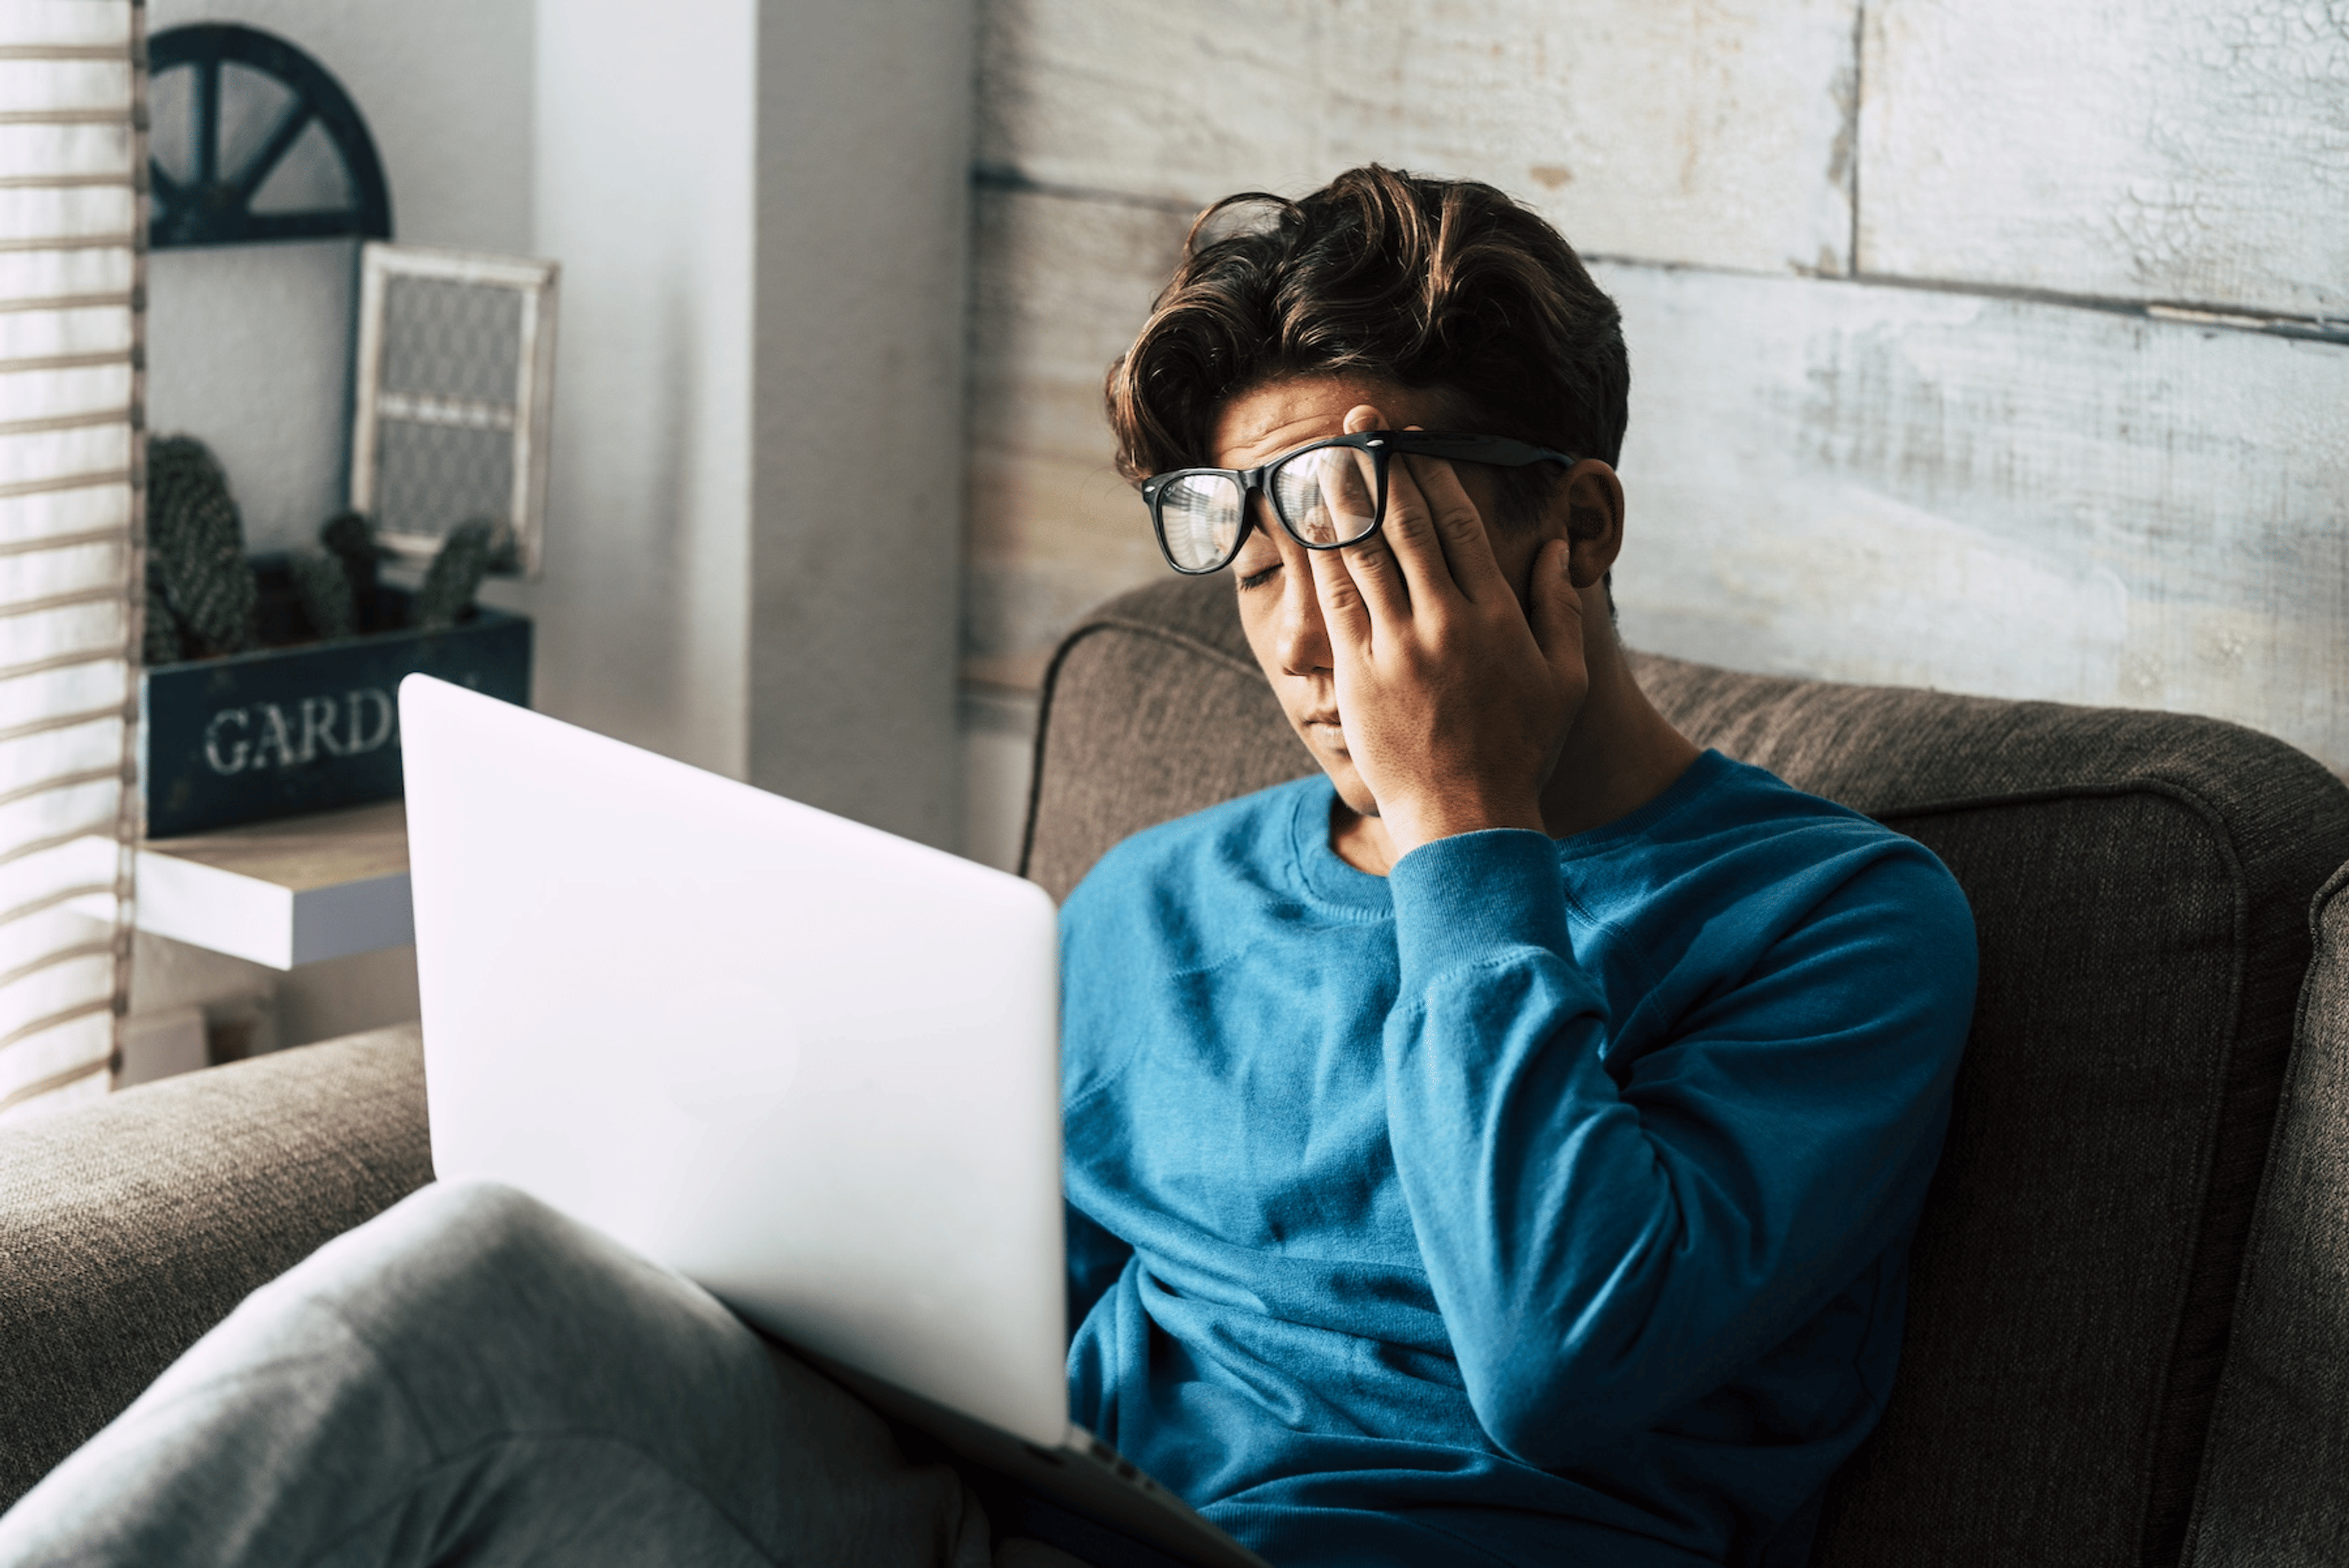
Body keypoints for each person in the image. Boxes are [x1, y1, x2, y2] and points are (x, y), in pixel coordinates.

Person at [0, 166, 1973, 1568]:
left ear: (1578, 528)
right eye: (1252, 550)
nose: (1298, 630)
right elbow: (971, 1330)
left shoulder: (1840, 925)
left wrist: (1470, 827)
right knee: (483, 1280)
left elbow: (1564, 1352)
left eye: (1355, 519)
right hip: (1002, 1525)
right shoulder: (1154, 907)